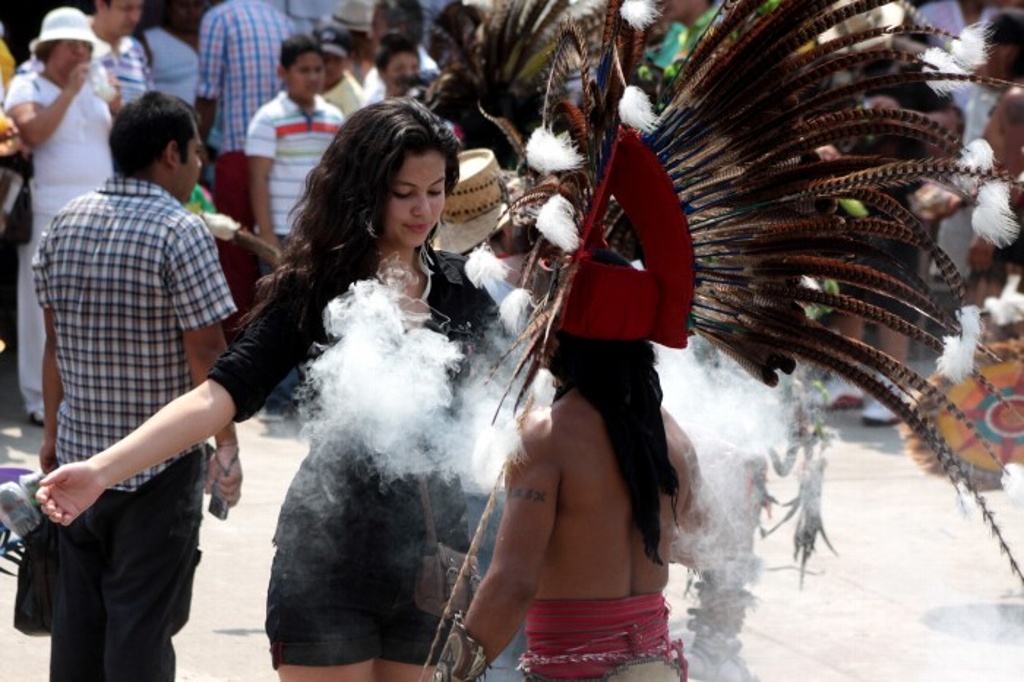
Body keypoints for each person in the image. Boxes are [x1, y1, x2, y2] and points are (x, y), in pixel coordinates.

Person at [35, 98, 497, 682]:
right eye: (405, 192)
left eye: (436, 191)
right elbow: (216, 395)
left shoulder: (463, 294)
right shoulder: (314, 290)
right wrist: (101, 471)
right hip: (328, 561)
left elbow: (510, 411)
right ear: (363, 189)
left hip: (433, 564)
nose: (424, 209)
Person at [32, 90, 240, 682]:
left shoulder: (63, 223)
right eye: (197, 153)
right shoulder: (181, 231)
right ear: (171, 153)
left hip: (76, 458)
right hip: (158, 469)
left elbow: (53, 345)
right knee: (141, 626)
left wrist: (51, 437)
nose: (199, 164)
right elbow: (208, 353)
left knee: (78, 623)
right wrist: (226, 446)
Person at [434, 253, 702, 682]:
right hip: (659, 669)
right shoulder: (674, 437)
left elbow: (513, 584)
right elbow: (698, 547)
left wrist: (447, 675)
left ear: (559, 333)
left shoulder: (546, 437)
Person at [4, 7, 117, 428]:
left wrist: (116, 104)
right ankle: (38, 398)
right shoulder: (27, 84)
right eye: (74, 46)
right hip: (51, 210)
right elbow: (31, 132)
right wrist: (69, 92)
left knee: (97, 301)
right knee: (40, 307)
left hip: (102, 211)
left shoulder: (93, 85)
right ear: (51, 48)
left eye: (86, 46)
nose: (81, 53)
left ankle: (88, 394)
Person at [245, 32, 344, 419]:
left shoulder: (334, 117)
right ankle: (278, 399)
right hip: (281, 234)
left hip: (320, 231)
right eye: (304, 70)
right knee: (280, 312)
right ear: (282, 72)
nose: (313, 77)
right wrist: (267, 236)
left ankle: (308, 397)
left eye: (318, 69)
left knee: (320, 310)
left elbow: (337, 177)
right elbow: (258, 180)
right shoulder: (268, 118)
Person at [196, 0, 294, 338]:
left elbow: (207, 95)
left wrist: (194, 150)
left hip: (239, 153)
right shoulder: (282, 22)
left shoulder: (218, 18)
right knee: (275, 255)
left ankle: (239, 347)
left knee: (236, 256)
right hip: (281, 154)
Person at [142, 0, 209, 103]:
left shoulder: (215, 37)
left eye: (197, 5)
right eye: (183, 5)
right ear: (168, 8)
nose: (191, 11)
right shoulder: (149, 42)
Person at [91, 0, 154, 104]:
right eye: (126, 8)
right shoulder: (76, 48)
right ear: (101, 4)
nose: (135, 18)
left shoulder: (136, 49)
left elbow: (149, 106)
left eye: (139, 8)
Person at [314, 16, 366, 117]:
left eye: (337, 59)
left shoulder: (355, 102)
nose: (329, 66)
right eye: (324, 59)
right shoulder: (301, 87)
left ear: (349, 59)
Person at [372, 31, 421, 101]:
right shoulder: (371, 108)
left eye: (414, 68)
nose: (409, 74)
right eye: (399, 69)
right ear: (382, 72)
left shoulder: (426, 107)